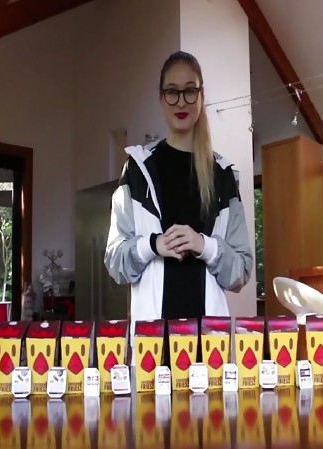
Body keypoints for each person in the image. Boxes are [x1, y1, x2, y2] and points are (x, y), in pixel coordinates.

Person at [104, 51, 253, 362]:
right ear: (161, 98)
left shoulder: (223, 176)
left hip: (209, 352)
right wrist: (152, 245)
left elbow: (241, 272)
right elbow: (115, 262)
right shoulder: (137, 170)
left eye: (190, 91)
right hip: (152, 352)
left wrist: (205, 246)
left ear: (201, 95)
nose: (181, 101)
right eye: (172, 91)